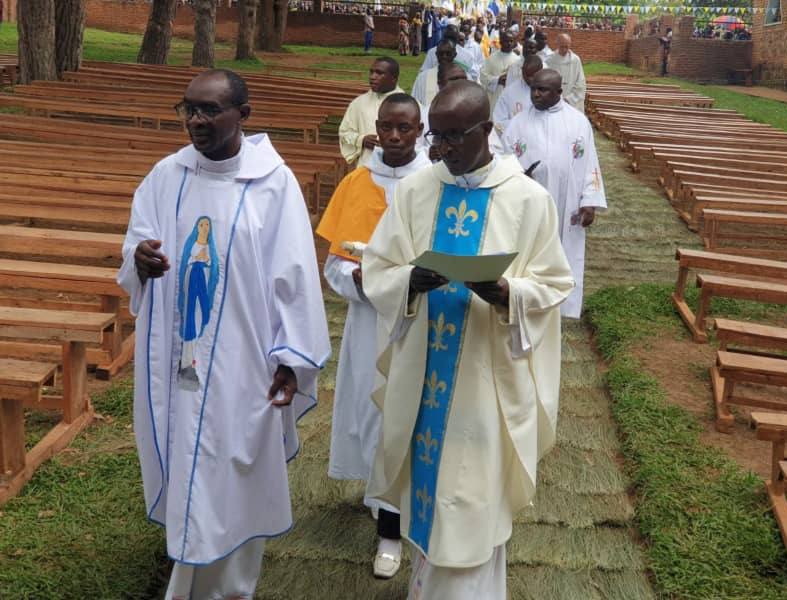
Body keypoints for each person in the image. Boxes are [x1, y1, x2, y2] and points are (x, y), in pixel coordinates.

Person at [117, 69, 331, 600]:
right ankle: (188, 575)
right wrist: (139, 261)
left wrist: (292, 361)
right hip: (177, 356)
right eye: (188, 109)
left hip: (243, 361)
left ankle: (231, 588)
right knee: (188, 454)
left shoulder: (272, 183)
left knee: (235, 465)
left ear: (244, 114)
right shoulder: (167, 175)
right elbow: (137, 242)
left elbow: (296, 276)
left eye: (210, 110)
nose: (196, 120)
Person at [362, 80, 574, 599]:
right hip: (423, 374)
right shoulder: (416, 189)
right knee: (429, 499)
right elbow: (379, 265)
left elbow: (552, 284)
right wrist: (409, 281)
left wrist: (506, 293)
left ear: (487, 130)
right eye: (438, 136)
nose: (444, 148)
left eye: (456, 136)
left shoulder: (527, 199)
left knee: (473, 505)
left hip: (486, 380)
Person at [318, 94, 430, 581]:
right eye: (387, 128)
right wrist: (356, 281)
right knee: (373, 413)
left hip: (421, 321)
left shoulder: (435, 186)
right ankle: (382, 502)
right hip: (370, 322)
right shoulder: (355, 183)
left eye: (405, 129)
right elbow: (335, 264)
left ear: (420, 129)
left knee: (412, 418)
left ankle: (396, 524)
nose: (395, 137)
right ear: (377, 129)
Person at [503, 69, 606, 318]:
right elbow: (503, 157)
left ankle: (564, 306)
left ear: (559, 92)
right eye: (533, 88)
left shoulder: (578, 121)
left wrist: (589, 202)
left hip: (566, 199)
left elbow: (589, 161)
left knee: (564, 249)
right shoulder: (518, 122)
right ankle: (526, 299)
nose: (535, 94)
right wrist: (515, 175)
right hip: (528, 199)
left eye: (543, 90)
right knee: (529, 249)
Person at [339, 57, 403, 167]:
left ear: (394, 78)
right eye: (371, 72)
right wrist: (362, 140)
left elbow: (419, 141)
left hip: (399, 168)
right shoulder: (358, 103)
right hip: (367, 167)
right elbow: (344, 133)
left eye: (379, 73)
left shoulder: (408, 105)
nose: (372, 77)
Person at [418, 62, 469, 160]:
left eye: (463, 79)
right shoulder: (424, 114)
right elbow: (412, 147)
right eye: (454, 79)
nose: (460, 84)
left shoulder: (475, 112)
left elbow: (494, 147)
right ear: (440, 84)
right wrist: (428, 152)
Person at [492, 54, 542, 137]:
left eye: (533, 75)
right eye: (527, 75)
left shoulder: (549, 90)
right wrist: (521, 128)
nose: (530, 79)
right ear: (522, 70)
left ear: (541, 70)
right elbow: (499, 120)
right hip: (516, 141)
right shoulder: (509, 92)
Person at [479, 29, 521, 111]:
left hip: (511, 97)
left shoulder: (517, 60)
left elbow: (520, 80)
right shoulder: (491, 59)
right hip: (495, 96)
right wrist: (497, 80)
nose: (509, 43)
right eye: (506, 41)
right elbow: (483, 76)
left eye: (511, 41)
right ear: (500, 42)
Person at [411, 39, 461, 106]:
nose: (444, 56)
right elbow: (415, 103)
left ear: (454, 54)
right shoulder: (423, 77)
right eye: (441, 54)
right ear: (436, 55)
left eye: (448, 53)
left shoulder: (463, 77)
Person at [545, 34, 586, 112]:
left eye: (566, 47)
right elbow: (546, 82)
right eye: (561, 47)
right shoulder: (549, 61)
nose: (564, 50)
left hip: (572, 103)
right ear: (557, 44)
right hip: (554, 102)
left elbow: (581, 82)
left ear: (570, 45)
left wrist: (569, 99)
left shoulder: (575, 60)